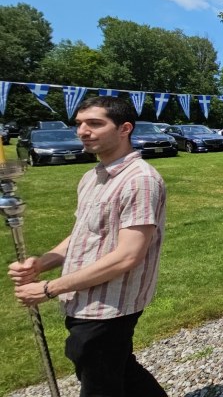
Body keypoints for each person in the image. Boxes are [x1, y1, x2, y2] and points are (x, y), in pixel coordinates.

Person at [7, 96, 168, 396]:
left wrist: (46, 289)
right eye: (79, 124)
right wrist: (41, 263)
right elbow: (83, 235)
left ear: (124, 129)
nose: (83, 131)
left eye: (95, 123)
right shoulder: (91, 177)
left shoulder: (140, 180)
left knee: (99, 384)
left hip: (110, 306)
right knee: (120, 373)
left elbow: (128, 256)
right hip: (83, 299)